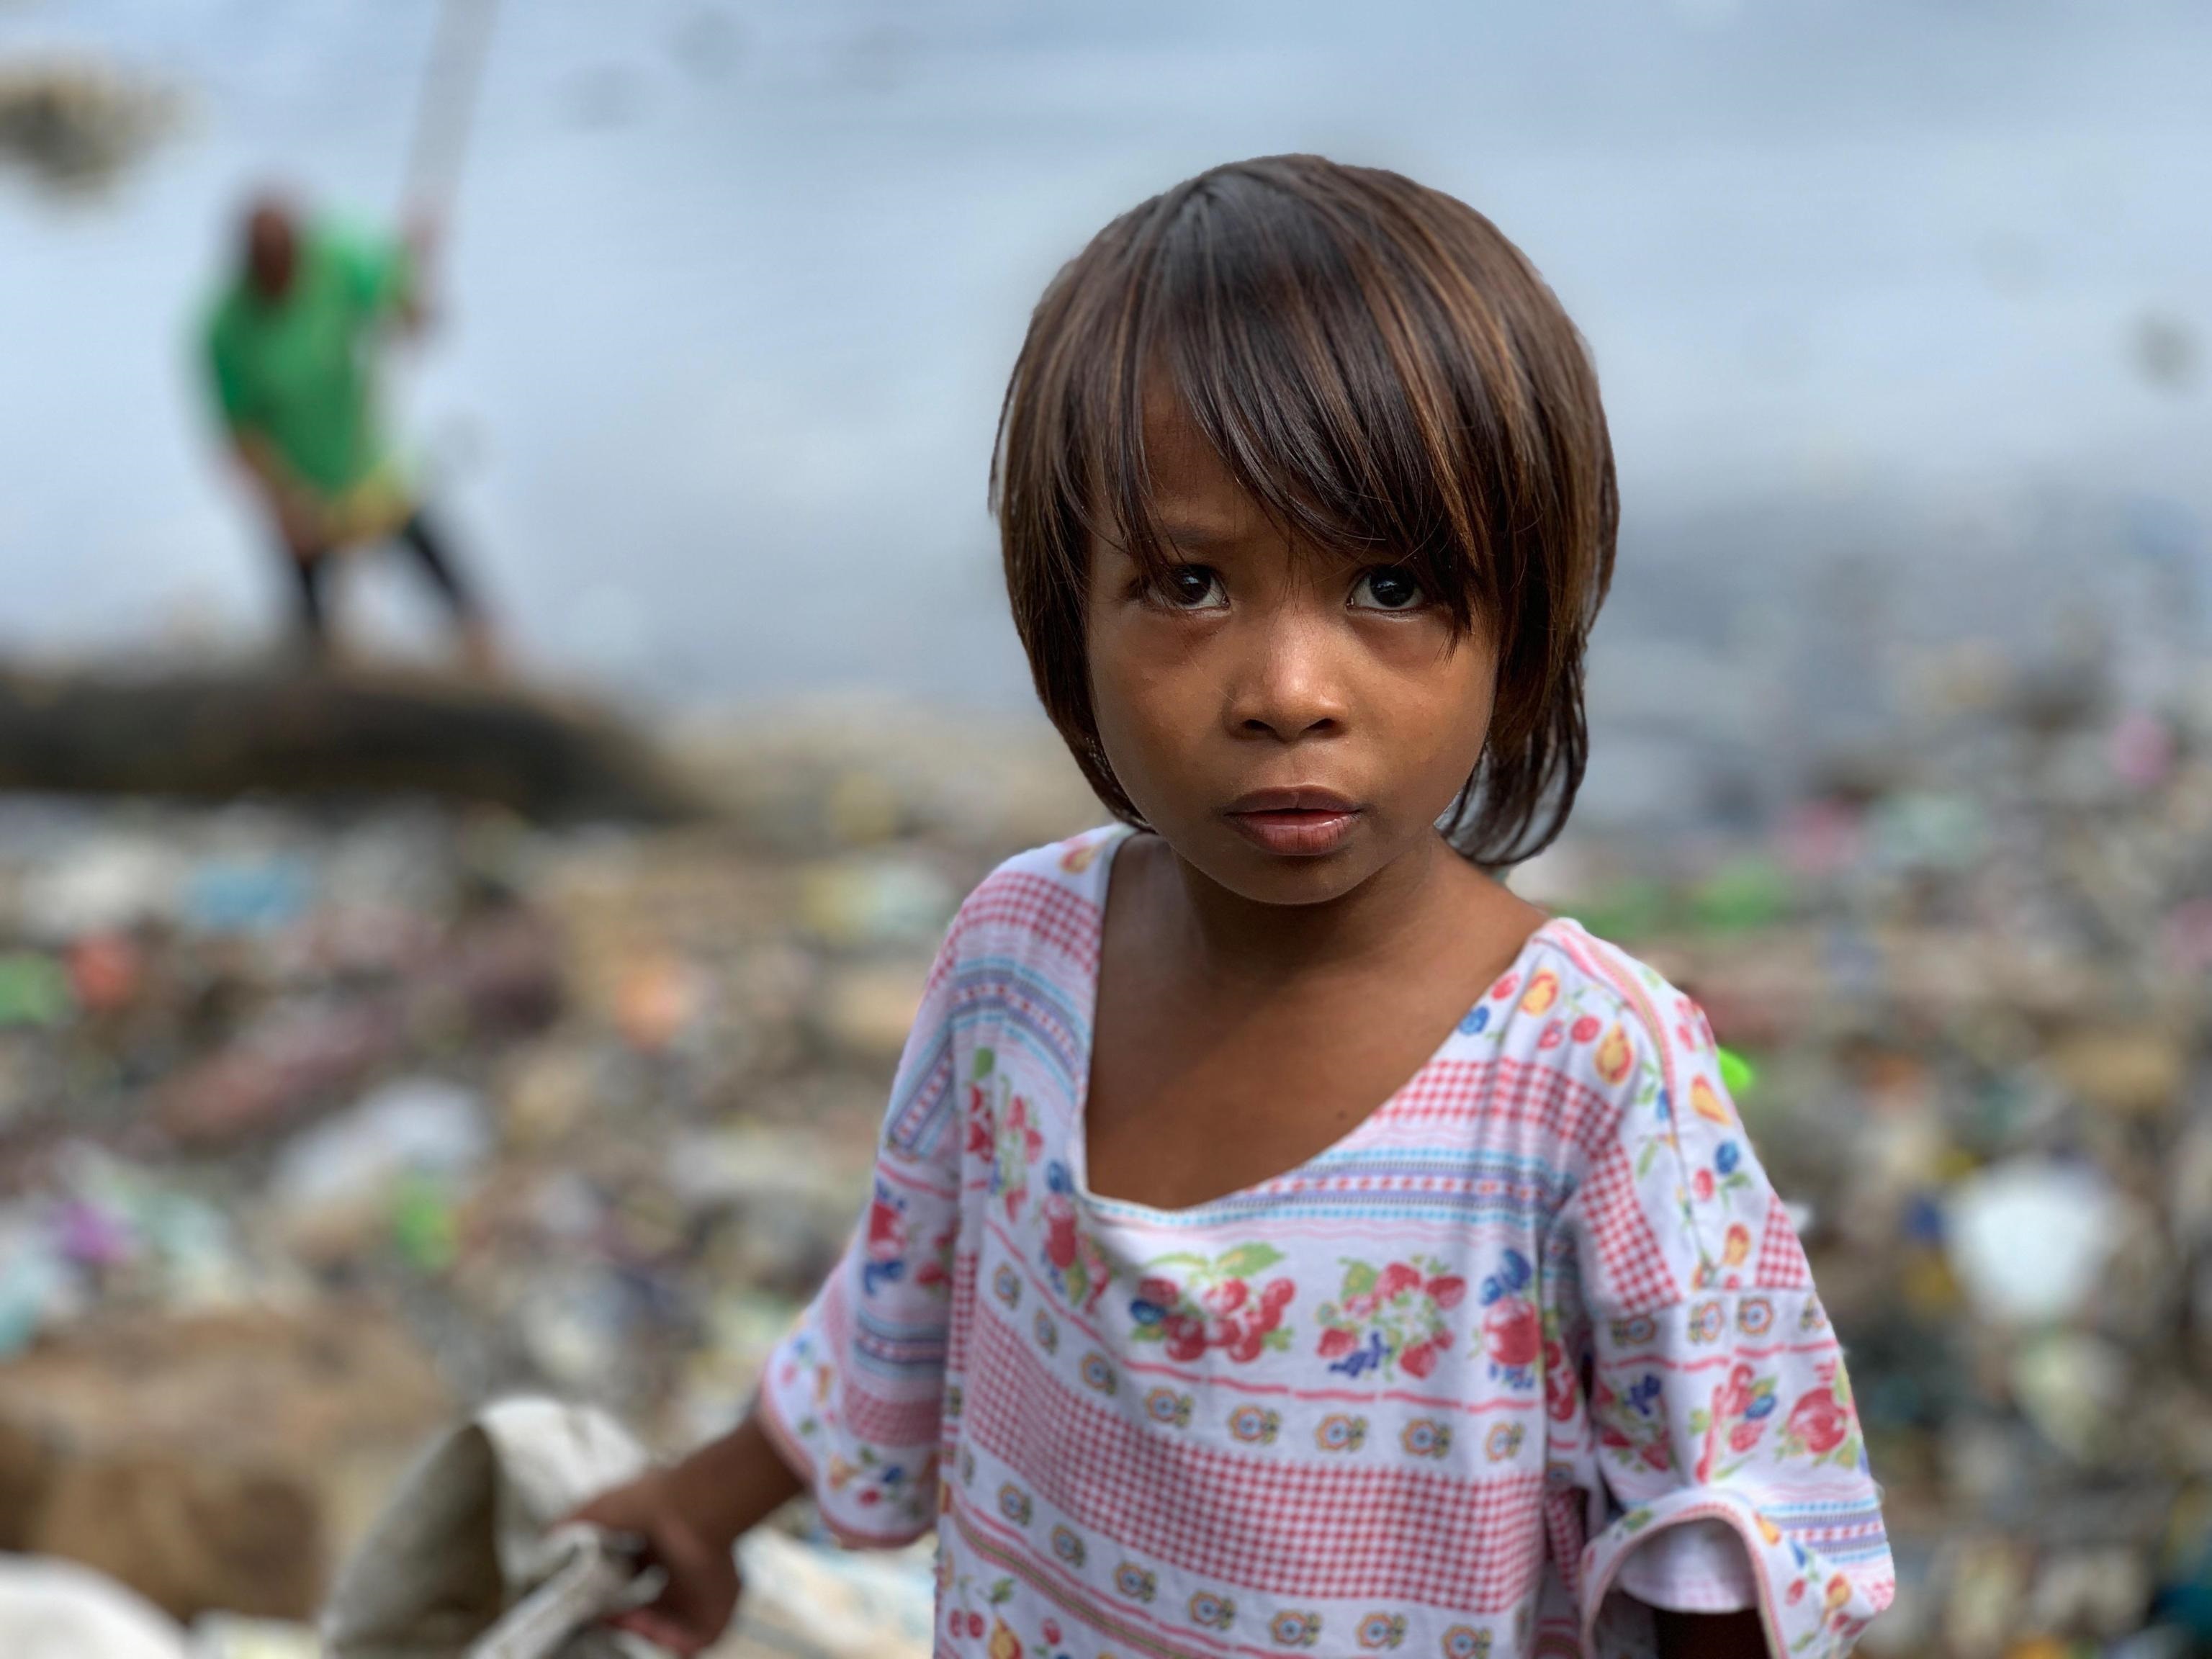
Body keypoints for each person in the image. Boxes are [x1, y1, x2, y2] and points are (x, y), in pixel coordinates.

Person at [574, 156, 1892, 1658]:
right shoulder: (1019, 961)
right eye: (1189, 585)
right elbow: (907, 1292)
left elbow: (1712, 1541)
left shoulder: (1587, 1075)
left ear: (1521, 633)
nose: (1287, 693)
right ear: (1064, 620)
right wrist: (698, 1502)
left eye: (1392, 586)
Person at [204, 192, 495, 669]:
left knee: (450, 581)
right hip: (301, 492)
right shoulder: (224, 327)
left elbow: (412, 323)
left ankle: (483, 651)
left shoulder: (336, 263)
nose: (281, 286)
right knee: (312, 634)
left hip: (367, 464)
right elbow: (238, 435)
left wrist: (415, 271)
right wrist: (283, 501)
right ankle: (320, 682)